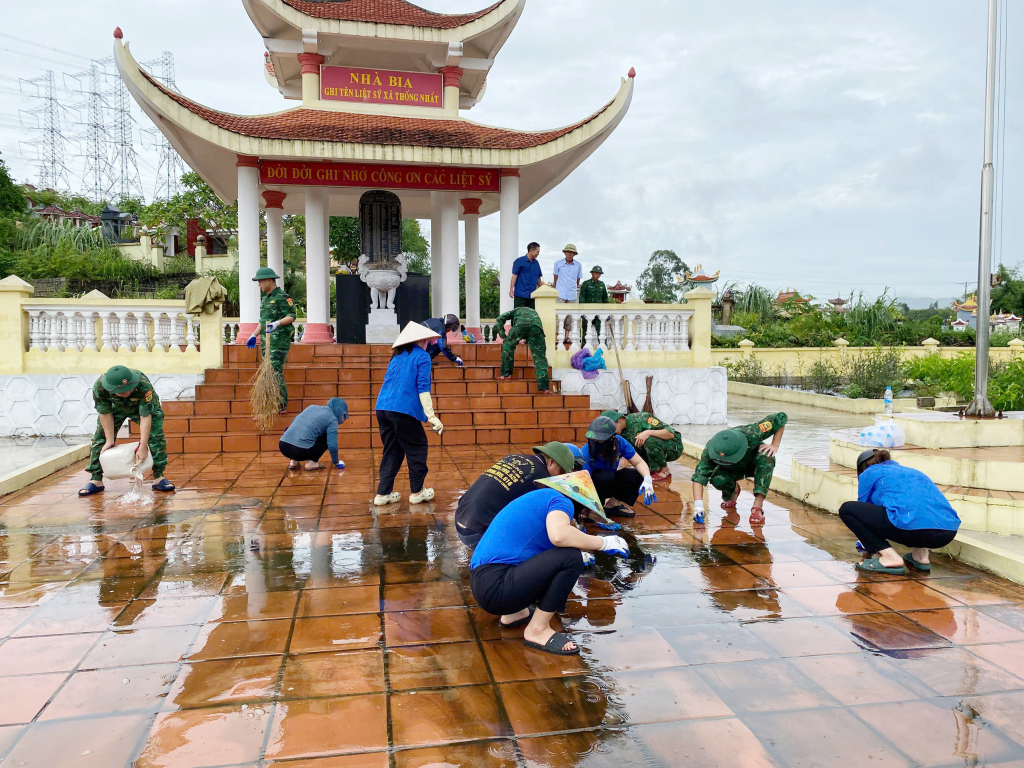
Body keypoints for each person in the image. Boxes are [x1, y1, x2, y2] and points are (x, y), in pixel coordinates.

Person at [470, 471, 630, 655]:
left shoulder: (540, 499)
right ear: (577, 501)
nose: (582, 515)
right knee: (571, 557)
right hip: (497, 587)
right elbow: (559, 536)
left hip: (484, 584)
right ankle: (537, 629)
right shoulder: (561, 501)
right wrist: (603, 543)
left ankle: (515, 614)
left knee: (553, 554)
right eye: (585, 510)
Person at [840, 449, 961, 575]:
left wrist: (867, 543)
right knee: (914, 512)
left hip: (913, 529)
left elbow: (864, 510)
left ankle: (889, 558)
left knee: (847, 510)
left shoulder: (869, 473)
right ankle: (921, 557)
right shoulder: (913, 472)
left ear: (862, 467)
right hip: (948, 533)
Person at [373, 322, 445, 506]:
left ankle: (382, 494)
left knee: (392, 449)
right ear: (421, 340)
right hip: (402, 410)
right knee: (417, 447)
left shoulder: (396, 356)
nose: (429, 344)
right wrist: (431, 416)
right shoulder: (422, 357)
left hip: (383, 408)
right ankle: (417, 492)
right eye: (427, 341)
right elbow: (423, 388)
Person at [456, 442, 578, 549]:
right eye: (561, 472)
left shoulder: (513, 457)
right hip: (477, 533)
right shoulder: (542, 479)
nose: (560, 478)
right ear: (551, 462)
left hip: (461, 519)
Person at [80, 365, 174, 496]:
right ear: (111, 389)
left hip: (142, 408)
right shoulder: (100, 387)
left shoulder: (142, 383)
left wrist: (142, 445)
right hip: (114, 409)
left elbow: (145, 415)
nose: (127, 393)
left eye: (129, 389)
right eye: (122, 391)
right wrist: (109, 440)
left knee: (156, 436)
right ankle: (96, 479)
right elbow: (105, 413)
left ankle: (158, 477)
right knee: (100, 440)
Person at [691, 413, 787, 527]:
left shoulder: (752, 433)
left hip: (752, 462)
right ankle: (733, 492)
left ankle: (757, 506)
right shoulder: (711, 448)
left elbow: (780, 418)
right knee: (718, 479)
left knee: (767, 457)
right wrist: (698, 506)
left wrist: (775, 444)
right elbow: (699, 477)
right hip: (730, 469)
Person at [580, 416, 657, 518]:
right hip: (594, 487)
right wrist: (588, 508)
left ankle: (611, 506)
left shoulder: (619, 442)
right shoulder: (585, 452)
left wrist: (647, 479)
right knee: (604, 477)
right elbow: (582, 483)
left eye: (600, 441)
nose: (595, 443)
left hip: (610, 481)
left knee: (636, 474)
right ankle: (591, 510)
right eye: (593, 439)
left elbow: (639, 462)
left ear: (611, 439)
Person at [246, 267, 296, 413]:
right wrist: (253, 335)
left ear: (269, 280)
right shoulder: (265, 299)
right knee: (269, 370)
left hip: (278, 341)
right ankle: (271, 402)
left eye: (260, 281)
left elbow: (291, 316)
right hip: (266, 342)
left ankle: (280, 405)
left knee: (275, 370)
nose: (259, 285)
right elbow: (263, 321)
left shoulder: (283, 297)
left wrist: (277, 323)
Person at [603, 410, 682, 483]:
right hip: (651, 449)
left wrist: (648, 432)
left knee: (649, 439)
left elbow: (670, 434)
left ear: (616, 422)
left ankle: (663, 469)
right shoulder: (620, 433)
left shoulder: (642, 418)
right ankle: (649, 468)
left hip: (673, 447)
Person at [279, 398, 349, 471]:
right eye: (344, 416)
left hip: (283, 446)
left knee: (293, 430)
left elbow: (294, 421)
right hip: (301, 451)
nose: (344, 419)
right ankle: (312, 463)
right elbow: (332, 445)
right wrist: (336, 462)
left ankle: (293, 461)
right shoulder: (332, 419)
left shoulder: (311, 407)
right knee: (327, 437)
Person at [494, 305, 549, 392]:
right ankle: (544, 387)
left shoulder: (514, 311)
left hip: (520, 325)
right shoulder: (532, 312)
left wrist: (503, 336)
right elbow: (529, 329)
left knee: (508, 346)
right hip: (537, 327)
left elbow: (499, 319)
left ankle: (505, 374)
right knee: (540, 357)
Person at [552, 244, 583, 342]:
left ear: (574, 254)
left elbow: (578, 279)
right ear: (565, 253)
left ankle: (566, 336)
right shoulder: (558, 263)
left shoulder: (578, 265)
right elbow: (555, 278)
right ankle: (556, 336)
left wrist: (573, 287)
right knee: (557, 315)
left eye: (571, 252)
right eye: (568, 252)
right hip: (560, 293)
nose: (569, 254)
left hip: (572, 294)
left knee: (569, 316)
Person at [578, 266, 609, 344]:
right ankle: (583, 350)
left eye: (599, 273)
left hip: (599, 314)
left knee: (601, 334)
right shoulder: (586, 284)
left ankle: (603, 350)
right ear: (592, 273)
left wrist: (607, 312)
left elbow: (605, 299)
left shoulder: (602, 284)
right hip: (587, 313)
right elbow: (582, 298)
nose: (598, 275)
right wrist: (582, 311)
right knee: (585, 334)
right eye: (596, 273)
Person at [509, 242, 543, 309]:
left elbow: (538, 277)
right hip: (520, 295)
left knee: (531, 316)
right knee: (518, 314)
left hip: (532, 295)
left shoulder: (536, 263)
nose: (538, 254)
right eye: (537, 252)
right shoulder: (519, 261)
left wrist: (541, 289)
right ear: (531, 250)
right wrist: (511, 289)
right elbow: (514, 275)